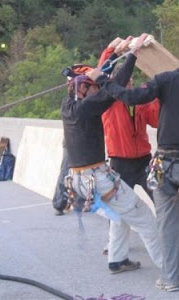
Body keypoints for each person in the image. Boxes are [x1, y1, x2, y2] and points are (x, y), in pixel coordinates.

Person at [89, 37, 179, 292]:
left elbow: (132, 96)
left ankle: (171, 279)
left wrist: (104, 81)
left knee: (167, 220)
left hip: (166, 163)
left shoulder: (167, 80)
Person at [61, 34, 162, 274]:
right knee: (145, 218)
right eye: (93, 87)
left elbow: (106, 82)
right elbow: (115, 85)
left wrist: (116, 54)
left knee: (121, 214)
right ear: (83, 87)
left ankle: (117, 259)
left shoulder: (68, 105)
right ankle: (170, 270)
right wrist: (133, 55)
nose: (97, 90)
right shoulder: (87, 108)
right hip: (98, 175)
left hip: (85, 177)